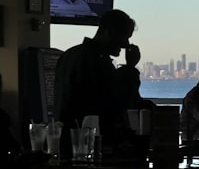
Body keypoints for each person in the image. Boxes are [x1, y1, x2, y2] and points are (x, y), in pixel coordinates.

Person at [54, 9, 154, 158]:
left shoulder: (69, 55)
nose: (126, 44)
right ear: (108, 33)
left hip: (66, 140)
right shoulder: (98, 63)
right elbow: (117, 103)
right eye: (123, 37)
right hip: (92, 143)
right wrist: (130, 68)